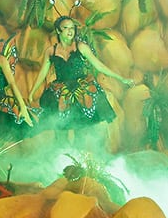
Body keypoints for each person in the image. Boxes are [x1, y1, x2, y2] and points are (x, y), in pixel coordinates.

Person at [28, 16, 133, 145]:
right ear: (58, 31)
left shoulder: (81, 47)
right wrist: (32, 92)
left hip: (82, 90)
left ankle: (79, 158)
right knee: (60, 129)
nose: (70, 31)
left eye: (72, 28)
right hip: (62, 91)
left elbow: (98, 65)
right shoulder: (51, 51)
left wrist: (121, 78)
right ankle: (61, 156)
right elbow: (43, 72)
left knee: (80, 130)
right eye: (66, 28)